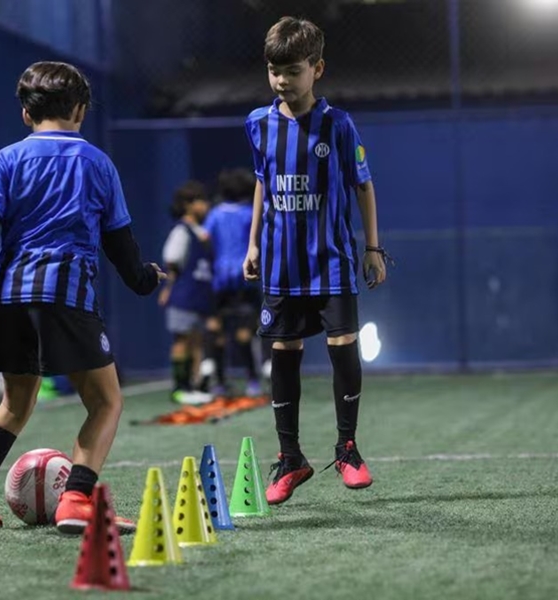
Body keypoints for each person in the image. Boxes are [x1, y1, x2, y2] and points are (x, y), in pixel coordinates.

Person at [0, 61, 165, 533]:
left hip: (12, 299)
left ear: (25, 113)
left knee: (15, 406)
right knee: (105, 402)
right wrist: (145, 280)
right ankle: (77, 499)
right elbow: (120, 245)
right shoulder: (98, 164)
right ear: (81, 109)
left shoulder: (5, 161)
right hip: (67, 297)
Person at [242, 17, 391, 505]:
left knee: (342, 346)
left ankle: (347, 449)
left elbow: (362, 185)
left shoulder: (338, 125)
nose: (282, 79)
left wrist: (372, 248)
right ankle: (291, 458)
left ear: (317, 69)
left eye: (293, 70)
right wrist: (253, 243)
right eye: (274, 70)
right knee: (283, 354)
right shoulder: (258, 125)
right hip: (282, 266)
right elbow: (263, 181)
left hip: (330, 261)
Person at [201, 168, 266, 398]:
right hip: (245, 278)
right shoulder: (249, 213)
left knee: (217, 330)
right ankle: (252, 380)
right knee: (244, 332)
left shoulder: (215, 214)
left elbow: (204, 239)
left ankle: (219, 382)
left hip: (220, 281)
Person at [158, 181, 215, 405]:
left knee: (196, 340)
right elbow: (172, 260)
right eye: (201, 201)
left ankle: (193, 385)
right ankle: (179, 388)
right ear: (189, 205)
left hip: (198, 295)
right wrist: (168, 289)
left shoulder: (200, 232)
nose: (206, 205)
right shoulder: (181, 231)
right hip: (184, 294)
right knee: (182, 339)